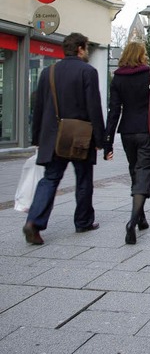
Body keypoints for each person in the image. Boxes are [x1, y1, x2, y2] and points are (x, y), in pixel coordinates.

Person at [23, 32, 106, 245]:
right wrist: (100, 139)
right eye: (86, 48)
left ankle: (34, 221)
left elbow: (38, 107)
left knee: (50, 179)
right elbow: (94, 107)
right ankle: (83, 221)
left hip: (52, 136)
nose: (87, 52)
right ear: (79, 48)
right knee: (84, 179)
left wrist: (37, 137)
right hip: (80, 136)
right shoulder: (88, 71)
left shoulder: (48, 72)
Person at [103, 41, 150, 245]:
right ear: (142, 55)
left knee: (135, 172)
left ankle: (141, 218)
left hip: (127, 132)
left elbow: (114, 111)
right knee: (143, 174)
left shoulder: (118, 78)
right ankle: (132, 222)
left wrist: (108, 142)